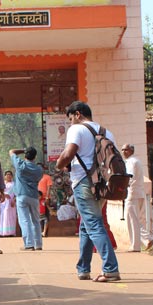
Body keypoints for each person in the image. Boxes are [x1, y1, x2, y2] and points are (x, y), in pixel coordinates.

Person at [56, 100, 120, 282]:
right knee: (86, 225)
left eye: (70, 119)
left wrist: (59, 165)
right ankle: (83, 268)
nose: (70, 123)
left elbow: (68, 153)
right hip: (101, 184)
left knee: (93, 224)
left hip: (83, 182)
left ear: (78, 114)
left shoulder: (77, 129)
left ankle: (110, 269)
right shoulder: (107, 132)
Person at [9, 147, 44, 251]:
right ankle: (38, 244)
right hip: (34, 196)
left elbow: (11, 151)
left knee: (25, 220)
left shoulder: (20, 165)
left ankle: (29, 244)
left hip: (22, 195)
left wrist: (23, 149)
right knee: (36, 220)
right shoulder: (39, 170)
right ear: (35, 157)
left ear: (25, 156)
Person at [121, 144, 153, 252]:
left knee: (133, 220)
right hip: (138, 193)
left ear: (131, 150)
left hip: (132, 193)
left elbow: (129, 177)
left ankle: (142, 241)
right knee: (134, 219)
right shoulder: (137, 161)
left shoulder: (131, 162)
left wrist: (122, 187)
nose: (123, 152)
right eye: (122, 150)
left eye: (125, 150)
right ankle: (141, 242)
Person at [0, 170, 17, 237]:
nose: (8, 176)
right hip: (3, 201)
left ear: (12, 176)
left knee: (11, 216)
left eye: (10, 174)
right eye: (7, 174)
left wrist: (14, 200)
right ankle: (3, 232)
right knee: (4, 215)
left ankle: (11, 232)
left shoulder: (14, 184)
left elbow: (17, 193)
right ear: (5, 176)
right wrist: (4, 195)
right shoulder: (2, 184)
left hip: (12, 202)